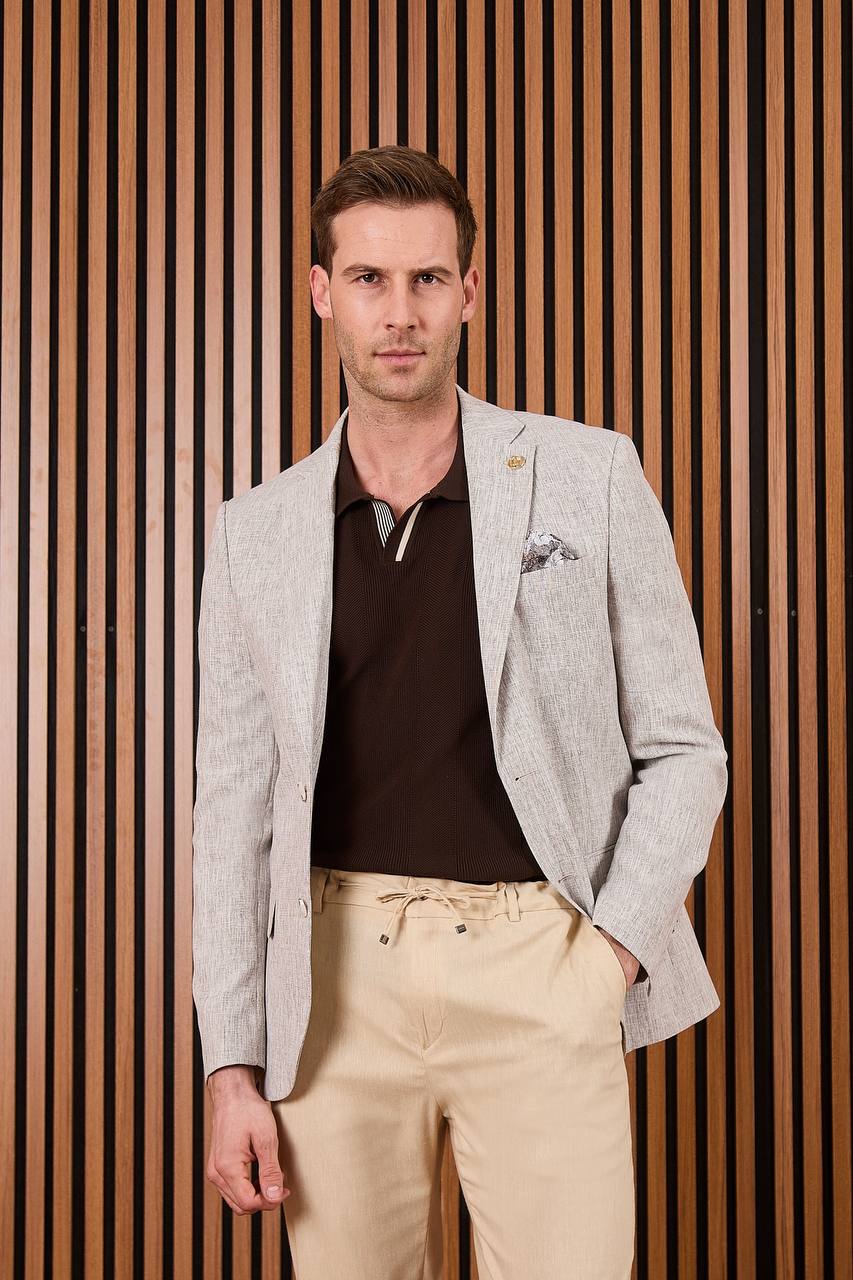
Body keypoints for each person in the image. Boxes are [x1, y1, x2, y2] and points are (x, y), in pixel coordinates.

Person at [191, 144, 728, 1279]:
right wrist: (230, 1063)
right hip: (331, 996)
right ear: (321, 292)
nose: (400, 313)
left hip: (542, 966)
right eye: (369, 279)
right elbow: (231, 817)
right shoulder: (255, 534)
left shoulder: (588, 474)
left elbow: (685, 748)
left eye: (427, 279)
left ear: (469, 293)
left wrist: (607, 957)